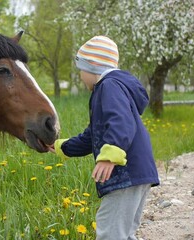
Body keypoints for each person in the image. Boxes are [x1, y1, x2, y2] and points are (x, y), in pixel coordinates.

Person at [49, 36, 160, 240]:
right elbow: (93, 135)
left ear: (92, 66)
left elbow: (121, 121)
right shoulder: (115, 88)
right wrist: (62, 147)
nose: (81, 76)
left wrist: (109, 156)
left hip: (125, 173)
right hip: (137, 171)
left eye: (81, 70)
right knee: (124, 233)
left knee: (111, 232)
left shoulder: (109, 86)